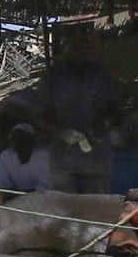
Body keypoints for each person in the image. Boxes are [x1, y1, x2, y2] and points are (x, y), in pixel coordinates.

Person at [41, 42, 116, 193]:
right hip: (63, 160)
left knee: (95, 208)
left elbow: (116, 110)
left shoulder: (100, 75)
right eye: (74, 47)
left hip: (96, 160)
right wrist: (60, 131)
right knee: (65, 209)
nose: (78, 53)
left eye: (82, 46)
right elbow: (39, 115)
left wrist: (102, 126)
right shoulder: (53, 77)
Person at [0, 122, 54, 194]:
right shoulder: (6, 156)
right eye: (15, 138)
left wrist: (23, 195)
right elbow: (2, 183)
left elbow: (46, 185)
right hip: (13, 197)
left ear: (31, 141)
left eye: (22, 139)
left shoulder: (42, 155)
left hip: (38, 197)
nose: (18, 142)